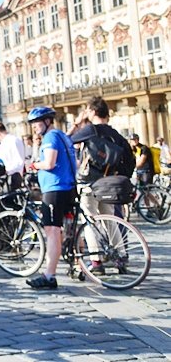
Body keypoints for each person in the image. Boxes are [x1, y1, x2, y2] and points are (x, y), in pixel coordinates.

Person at [68, 96, 134, 275]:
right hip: (109, 184)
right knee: (109, 219)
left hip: (89, 183)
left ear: (93, 111)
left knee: (89, 219)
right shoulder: (115, 134)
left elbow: (66, 141)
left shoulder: (90, 130)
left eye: (87, 110)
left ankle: (96, 262)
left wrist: (76, 123)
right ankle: (120, 256)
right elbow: (129, 160)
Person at [25, 106, 76, 290]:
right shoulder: (62, 135)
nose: (34, 127)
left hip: (54, 189)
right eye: (32, 124)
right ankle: (76, 265)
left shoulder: (50, 137)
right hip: (67, 187)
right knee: (65, 229)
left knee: (52, 232)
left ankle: (49, 275)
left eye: (37, 123)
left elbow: (49, 163)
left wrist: (35, 166)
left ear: (47, 122)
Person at [0, 122, 26, 191]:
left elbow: (18, 160)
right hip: (9, 176)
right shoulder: (8, 142)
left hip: (12, 176)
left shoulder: (12, 141)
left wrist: (7, 171)